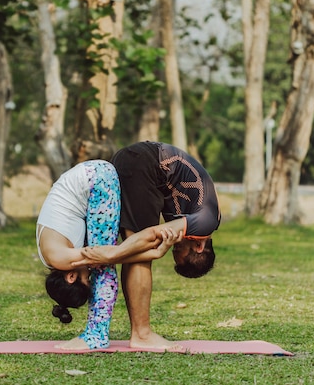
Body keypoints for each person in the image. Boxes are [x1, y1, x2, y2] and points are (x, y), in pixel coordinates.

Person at [36, 159, 183, 350]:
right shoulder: (54, 258)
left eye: (86, 278)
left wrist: (155, 250)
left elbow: (108, 256)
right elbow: (115, 255)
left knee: (103, 269)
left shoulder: (59, 257)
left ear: (71, 277)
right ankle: (98, 334)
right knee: (103, 262)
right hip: (94, 176)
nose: (88, 273)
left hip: (97, 179)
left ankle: (95, 336)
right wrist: (154, 252)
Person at [104, 141, 220, 349]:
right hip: (145, 164)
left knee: (137, 248)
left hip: (135, 161)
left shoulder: (201, 217)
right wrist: (107, 257)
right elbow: (150, 235)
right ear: (199, 247)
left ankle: (139, 332)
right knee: (144, 250)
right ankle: (142, 334)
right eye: (178, 248)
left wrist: (114, 254)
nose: (174, 245)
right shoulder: (206, 222)